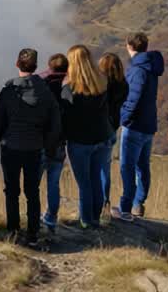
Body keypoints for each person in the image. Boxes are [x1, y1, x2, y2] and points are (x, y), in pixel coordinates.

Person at [0, 48, 61, 246]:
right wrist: (46, 145)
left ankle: (13, 231)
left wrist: (0, 140)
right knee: (33, 192)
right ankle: (32, 233)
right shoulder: (45, 92)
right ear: (36, 66)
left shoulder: (8, 92)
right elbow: (55, 124)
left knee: (11, 191)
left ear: (17, 64)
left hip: (11, 147)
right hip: (34, 148)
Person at [60, 45, 113, 229]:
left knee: (84, 184)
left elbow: (64, 117)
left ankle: (86, 221)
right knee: (96, 179)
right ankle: (95, 218)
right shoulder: (102, 83)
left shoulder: (69, 89)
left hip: (80, 141)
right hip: (102, 138)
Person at [115, 32, 165, 222]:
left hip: (134, 125)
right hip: (148, 123)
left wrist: (123, 119)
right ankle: (138, 203)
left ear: (129, 46)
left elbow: (133, 98)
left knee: (127, 166)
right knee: (142, 166)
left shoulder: (138, 69)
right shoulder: (152, 66)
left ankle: (126, 207)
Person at [37, 53, 69, 233]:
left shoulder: (41, 83)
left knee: (33, 182)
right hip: (59, 141)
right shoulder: (71, 85)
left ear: (50, 66)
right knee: (53, 183)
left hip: (40, 140)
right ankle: (51, 219)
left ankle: (32, 219)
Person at [98, 52, 129, 217]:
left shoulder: (100, 85)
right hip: (112, 129)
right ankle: (105, 202)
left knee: (93, 169)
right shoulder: (123, 85)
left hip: (98, 129)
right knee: (105, 169)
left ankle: (93, 205)